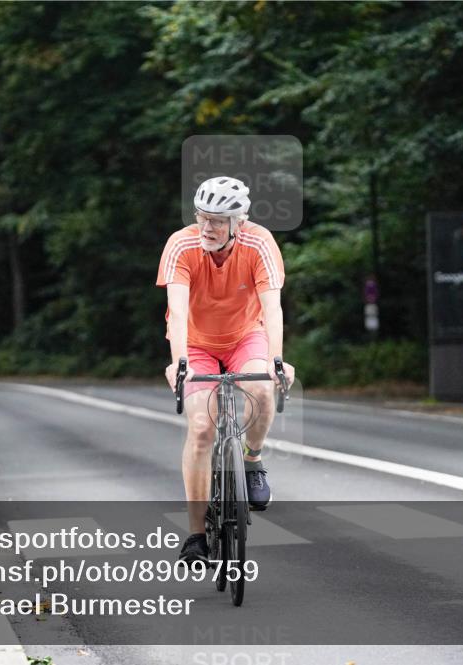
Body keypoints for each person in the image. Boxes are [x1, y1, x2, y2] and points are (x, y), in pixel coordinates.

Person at [156, 175, 295, 564]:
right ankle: (196, 535)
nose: (207, 227)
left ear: (239, 222)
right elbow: (177, 313)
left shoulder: (259, 243)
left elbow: (272, 308)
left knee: (263, 388)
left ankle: (252, 462)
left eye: (217, 220)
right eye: (201, 217)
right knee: (202, 428)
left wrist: (277, 360)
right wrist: (179, 363)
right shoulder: (181, 245)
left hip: (245, 335)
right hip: (196, 343)